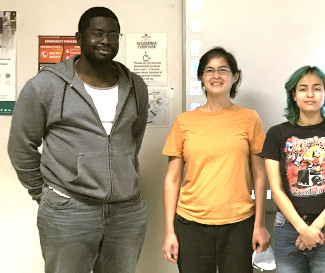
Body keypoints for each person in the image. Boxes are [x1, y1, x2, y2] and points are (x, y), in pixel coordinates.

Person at [7, 7, 149, 273]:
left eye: (113, 35)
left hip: (127, 214)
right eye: (97, 33)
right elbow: (20, 146)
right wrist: (47, 194)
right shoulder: (45, 85)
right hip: (69, 212)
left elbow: (133, 139)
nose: (106, 40)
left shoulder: (135, 86)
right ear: (79, 38)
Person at [161, 47, 270, 273]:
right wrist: (170, 231)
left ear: (235, 76)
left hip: (239, 224)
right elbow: (172, 179)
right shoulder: (184, 122)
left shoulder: (249, 118)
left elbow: (260, 176)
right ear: (201, 77)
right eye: (209, 70)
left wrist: (259, 225)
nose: (216, 76)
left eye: (223, 70)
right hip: (191, 224)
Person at [261, 66, 325, 273]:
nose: (310, 94)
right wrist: (302, 229)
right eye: (303, 89)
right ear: (293, 95)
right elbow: (276, 190)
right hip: (287, 229)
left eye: (317, 88)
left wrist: (314, 228)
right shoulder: (276, 134)